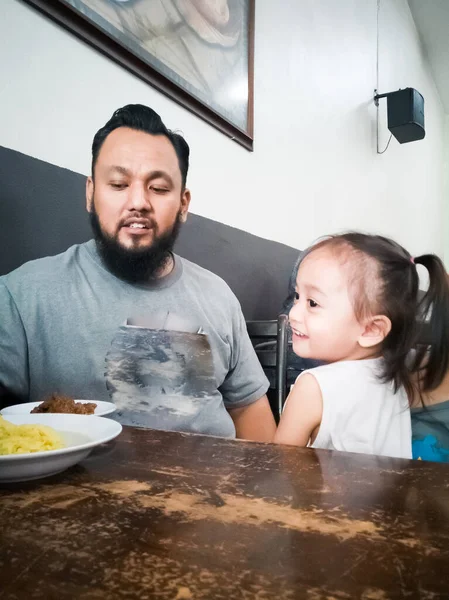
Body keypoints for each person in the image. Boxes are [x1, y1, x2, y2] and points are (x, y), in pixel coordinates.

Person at [0, 104, 275, 442]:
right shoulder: (22, 295)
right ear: (90, 193)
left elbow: (249, 410)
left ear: (184, 204)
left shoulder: (218, 296)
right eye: (118, 184)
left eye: (158, 188)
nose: (138, 201)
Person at [274, 232, 449, 459]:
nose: (293, 313)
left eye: (313, 303)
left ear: (371, 330)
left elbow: (277, 470)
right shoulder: (396, 381)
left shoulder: (313, 388)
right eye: (297, 296)